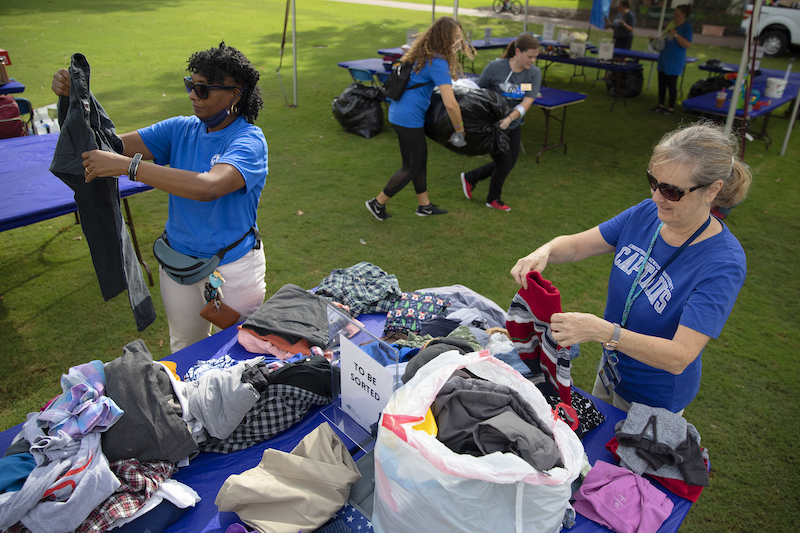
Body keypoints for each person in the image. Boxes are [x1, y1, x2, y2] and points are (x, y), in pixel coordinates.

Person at [510, 122, 752, 414]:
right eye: (653, 181)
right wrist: (543, 251)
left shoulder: (723, 262)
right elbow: (577, 245)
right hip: (612, 371)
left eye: (671, 191)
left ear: (711, 191)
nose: (656, 197)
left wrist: (603, 331)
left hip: (654, 399)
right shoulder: (646, 213)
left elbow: (679, 356)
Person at [52, 42, 268, 353]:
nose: (193, 95)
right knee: (184, 350)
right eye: (190, 85)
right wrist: (77, 98)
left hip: (232, 271)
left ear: (236, 94)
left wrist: (131, 167)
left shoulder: (249, 141)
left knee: (244, 352)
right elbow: (107, 145)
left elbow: (209, 187)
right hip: (177, 266)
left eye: (204, 89)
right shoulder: (180, 129)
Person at [366, 16, 473, 220]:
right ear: (445, 37)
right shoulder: (437, 62)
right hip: (408, 117)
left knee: (419, 161)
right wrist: (459, 129)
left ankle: (424, 206)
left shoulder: (423, 54)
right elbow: (450, 104)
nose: (458, 42)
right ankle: (377, 203)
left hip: (400, 112)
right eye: (456, 37)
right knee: (412, 165)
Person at [460, 34, 542, 212]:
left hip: (512, 124)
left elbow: (527, 101)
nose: (533, 60)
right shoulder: (495, 67)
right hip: (493, 126)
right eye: (530, 56)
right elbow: (478, 92)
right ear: (518, 52)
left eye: (536, 57)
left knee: (509, 163)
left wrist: (510, 118)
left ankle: (471, 177)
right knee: (504, 164)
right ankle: (493, 199)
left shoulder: (534, 73)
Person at [651, 4, 692, 115]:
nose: (674, 16)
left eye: (677, 14)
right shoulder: (671, 25)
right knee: (662, 83)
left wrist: (676, 35)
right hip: (664, 57)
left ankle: (670, 108)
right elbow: (664, 39)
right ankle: (660, 105)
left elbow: (687, 44)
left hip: (675, 60)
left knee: (671, 84)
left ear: (683, 14)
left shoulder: (686, 27)